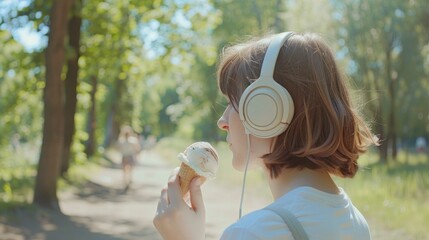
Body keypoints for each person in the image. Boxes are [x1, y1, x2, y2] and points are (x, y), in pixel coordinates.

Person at [153, 32, 377, 240]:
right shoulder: (357, 223)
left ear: (266, 111)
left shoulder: (252, 233)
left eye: (233, 103)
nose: (222, 122)